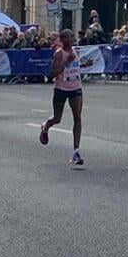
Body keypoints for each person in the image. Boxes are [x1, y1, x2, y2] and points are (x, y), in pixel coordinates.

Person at [39, 28, 85, 166]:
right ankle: (45, 127)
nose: (70, 40)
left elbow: (75, 66)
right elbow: (52, 74)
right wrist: (66, 62)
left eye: (72, 37)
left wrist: (84, 65)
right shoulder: (59, 54)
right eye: (67, 37)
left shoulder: (74, 51)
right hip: (61, 89)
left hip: (76, 87)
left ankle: (76, 151)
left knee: (77, 117)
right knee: (57, 118)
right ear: (62, 39)